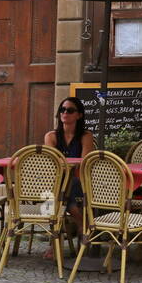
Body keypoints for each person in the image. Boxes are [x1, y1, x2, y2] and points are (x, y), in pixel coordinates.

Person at [43, 97, 96, 256]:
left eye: (70, 110)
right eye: (62, 110)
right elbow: (53, 164)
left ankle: (54, 244)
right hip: (58, 182)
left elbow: (83, 163)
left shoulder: (86, 136)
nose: (65, 113)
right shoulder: (51, 136)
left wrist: (65, 166)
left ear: (79, 115)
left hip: (79, 182)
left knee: (62, 191)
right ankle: (80, 222)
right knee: (57, 193)